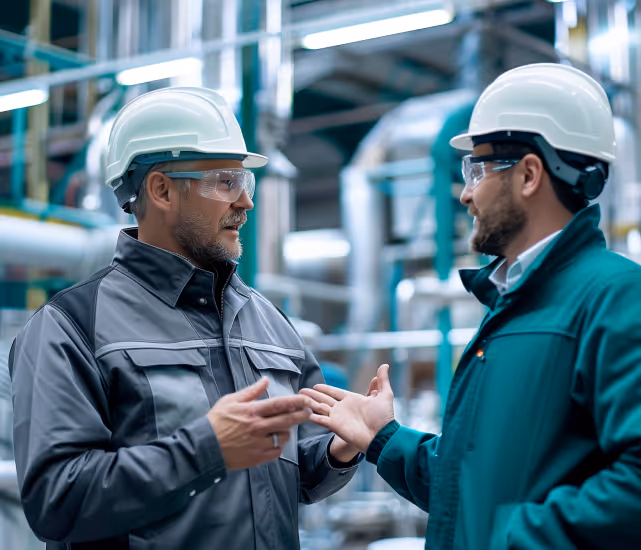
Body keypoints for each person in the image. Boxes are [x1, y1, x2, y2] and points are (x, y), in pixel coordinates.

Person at [302, 63, 641, 549]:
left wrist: (507, 537)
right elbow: (472, 487)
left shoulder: (617, 297)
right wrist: (382, 436)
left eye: (477, 169)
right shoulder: (511, 309)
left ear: (528, 174)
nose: (465, 193)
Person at [9, 87, 361, 550]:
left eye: (246, 183)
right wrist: (206, 450)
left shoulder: (269, 323)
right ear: (161, 190)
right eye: (225, 182)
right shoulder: (71, 327)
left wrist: (341, 448)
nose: (246, 203)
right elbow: (59, 503)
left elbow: (296, 472)